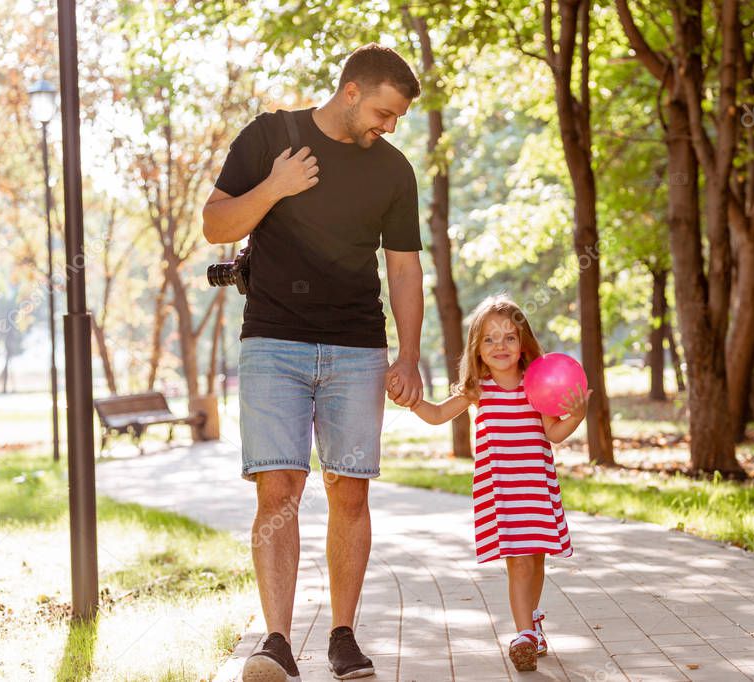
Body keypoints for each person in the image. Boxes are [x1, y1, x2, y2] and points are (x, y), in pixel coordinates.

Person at [202, 44, 425, 682]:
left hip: (358, 345)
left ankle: (343, 636)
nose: (389, 125)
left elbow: (404, 267)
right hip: (273, 341)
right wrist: (274, 186)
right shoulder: (271, 135)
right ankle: (275, 641)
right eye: (384, 111)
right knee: (279, 491)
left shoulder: (393, 171)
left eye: (398, 118)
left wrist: (408, 354)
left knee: (348, 490)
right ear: (351, 91)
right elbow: (215, 225)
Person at [393, 294, 589, 672]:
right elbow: (435, 415)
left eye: (509, 337)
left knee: (536, 558)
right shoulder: (478, 390)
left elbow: (554, 432)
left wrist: (577, 415)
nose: (500, 346)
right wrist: (411, 401)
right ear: (477, 349)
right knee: (518, 562)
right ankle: (523, 635)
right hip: (503, 492)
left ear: (523, 344)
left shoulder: (538, 385)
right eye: (490, 339)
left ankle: (532, 623)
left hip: (535, 487)